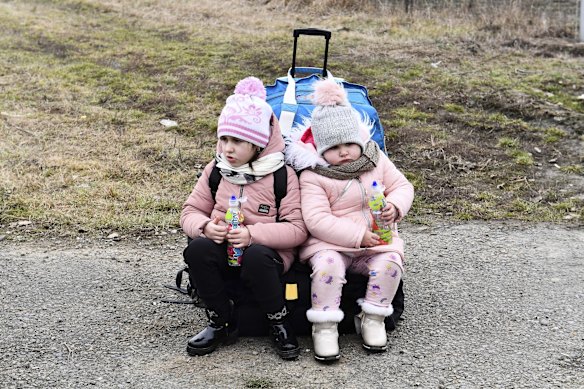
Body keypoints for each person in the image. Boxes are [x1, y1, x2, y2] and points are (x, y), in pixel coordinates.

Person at [284, 79, 414, 361]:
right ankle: (325, 324)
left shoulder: (376, 160)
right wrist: (356, 237)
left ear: (359, 139)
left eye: (348, 144)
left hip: (377, 242)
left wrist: (394, 205)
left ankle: (373, 316)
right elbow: (317, 219)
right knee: (327, 267)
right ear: (319, 149)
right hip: (330, 244)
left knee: (391, 263)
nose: (343, 152)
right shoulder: (314, 175)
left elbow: (403, 187)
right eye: (334, 147)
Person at [180, 77, 307, 360]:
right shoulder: (216, 170)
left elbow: (298, 230)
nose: (227, 149)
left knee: (257, 256)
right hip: (225, 250)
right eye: (223, 139)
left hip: (267, 257)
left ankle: (279, 321)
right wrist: (205, 227)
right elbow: (189, 212)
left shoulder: (281, 175)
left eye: (237, 141)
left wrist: (253, 235)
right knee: (197, 248)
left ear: (259, 143)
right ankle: (221, 320)